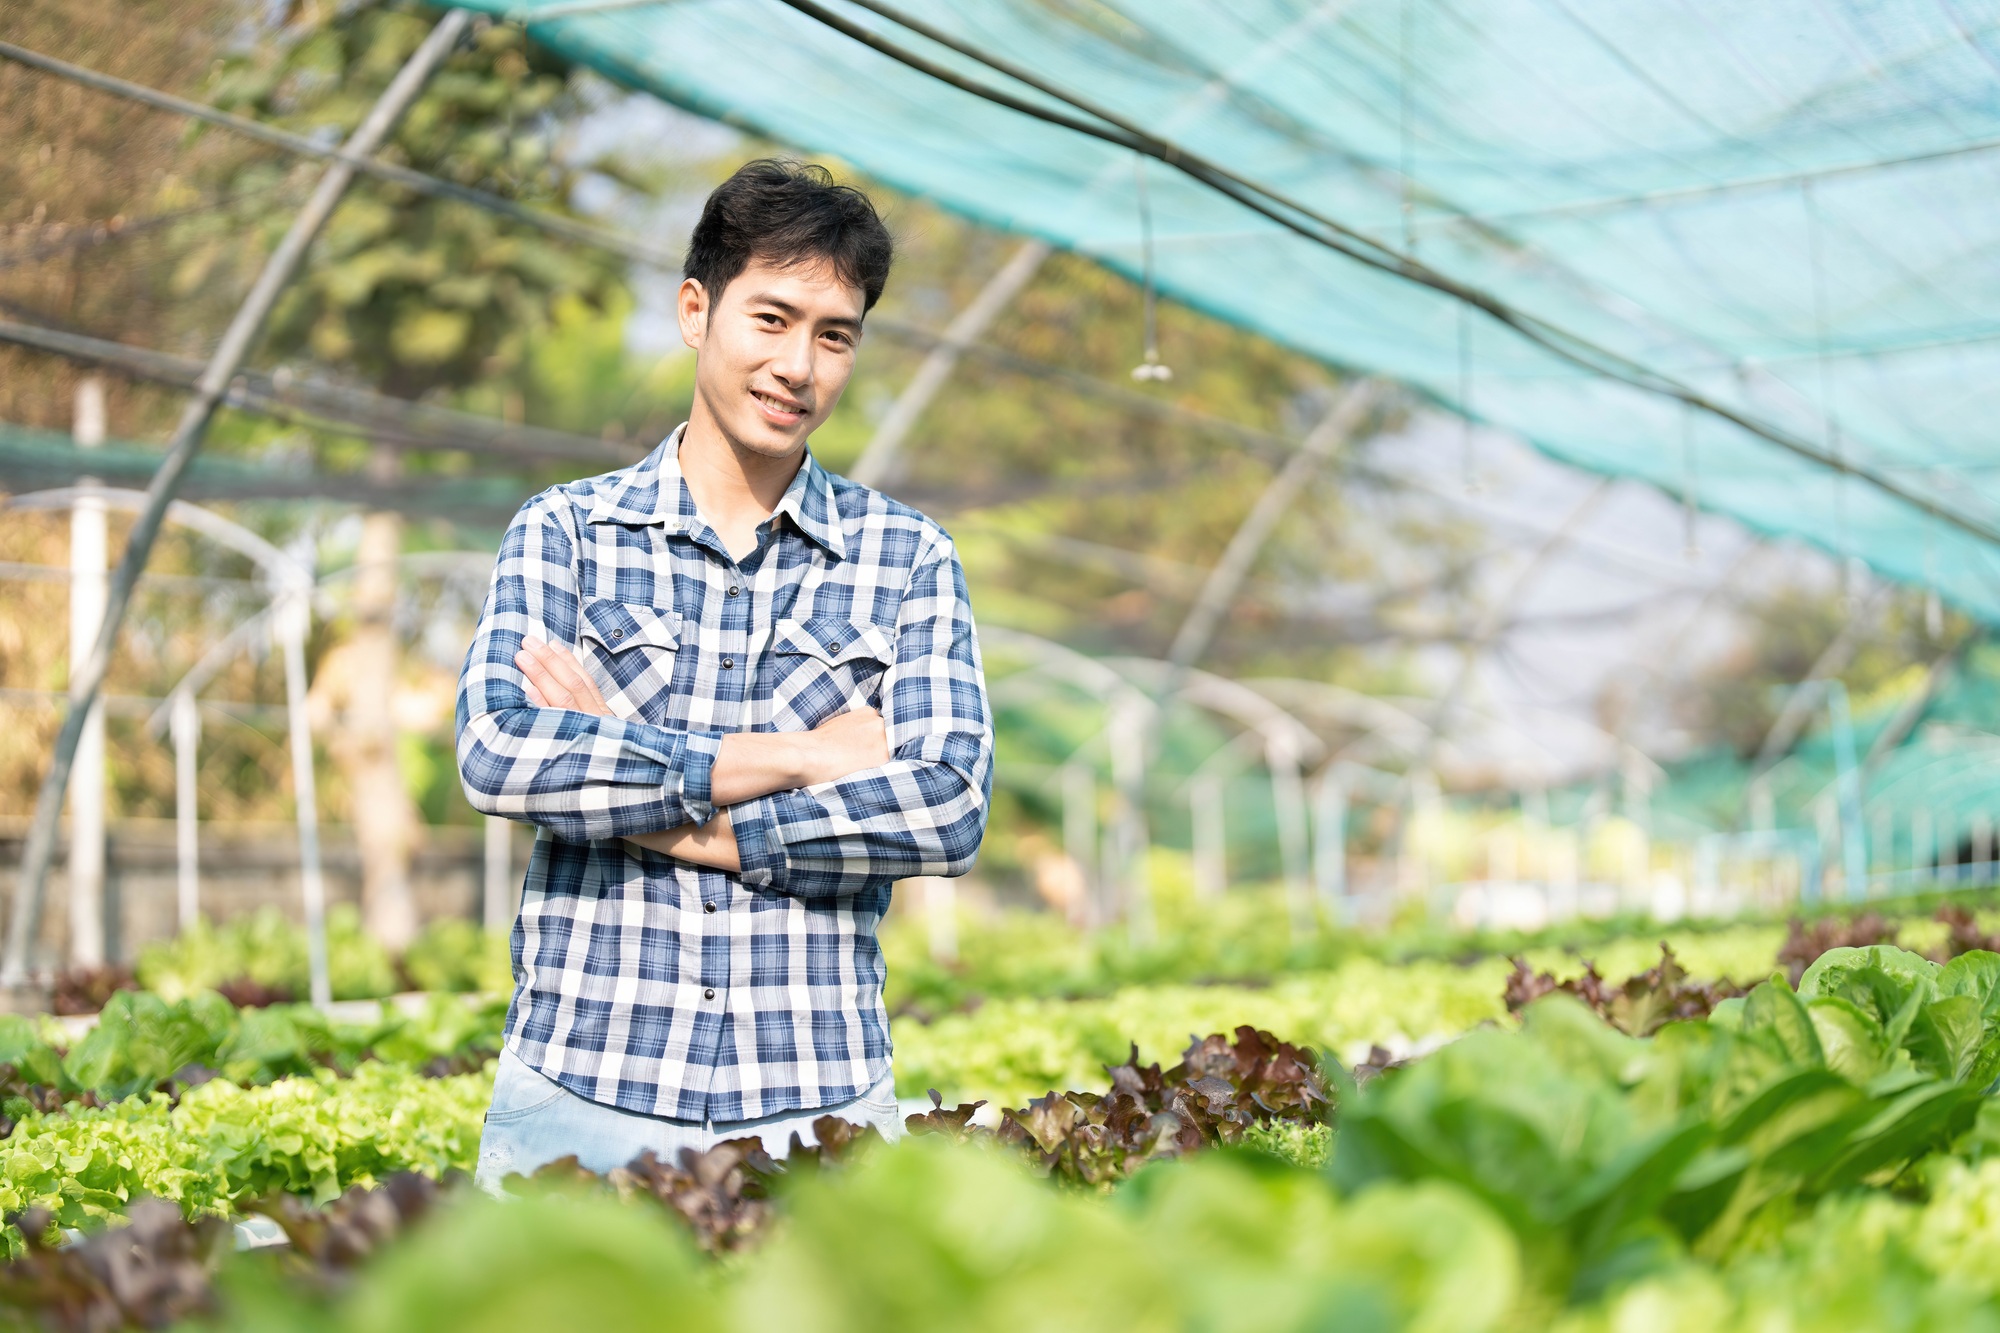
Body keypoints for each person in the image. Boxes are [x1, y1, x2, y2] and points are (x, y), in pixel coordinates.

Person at [454, 160, 992, 1187]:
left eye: (833, 335)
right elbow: (499, 752)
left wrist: (648, 796)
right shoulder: (567, 530)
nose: (799, 365)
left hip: (817, 1107)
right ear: (695, 310)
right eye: (772, 319)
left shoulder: (907, 558)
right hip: (581, 1096)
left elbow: (945, 804)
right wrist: (802, 755)